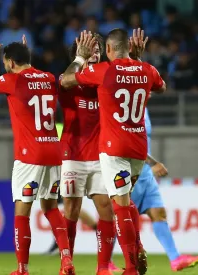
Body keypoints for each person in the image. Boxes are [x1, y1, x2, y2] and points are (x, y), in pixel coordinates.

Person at [61, 29, 166, 275]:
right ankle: (136, 247)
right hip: (137, 149)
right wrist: (138, 60)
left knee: (118, 206)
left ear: (108, 50)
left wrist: (79, 58)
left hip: (113, 150)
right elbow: (160, 87)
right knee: (125, 202)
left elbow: (67, 79)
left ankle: (129, 266)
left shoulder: (104, 72)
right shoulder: (146, 69)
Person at [0, 32, 75, 275]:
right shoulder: (48, 78)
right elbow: (33, 76)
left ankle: (22, 268)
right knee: (50, 208)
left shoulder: (11, 80)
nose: (5, 66)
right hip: (53, 150)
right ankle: (66, 260)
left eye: (6, 62)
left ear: (11, 63)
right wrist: (23, 58)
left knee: (22, 211)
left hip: (30, 156)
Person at [58, 33, 120, 275]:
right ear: (79, 50)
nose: (94, 51)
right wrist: (78, 58)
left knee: (106, 208)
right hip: (73, 154)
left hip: (101, 155)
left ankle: (103, 267)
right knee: (71, 210)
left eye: (97, 47)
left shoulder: (106, 75)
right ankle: (67, 263)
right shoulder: (69, 79)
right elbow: (64, 81)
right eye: (88, 47)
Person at [131, 108, 198, 271]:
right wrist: (153, 163)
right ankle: (105, 262)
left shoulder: (144, 109)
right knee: (121, 218)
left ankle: (175, 259)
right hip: (129, 171)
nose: (149, 89)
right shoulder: (127, 106)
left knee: (158, 213)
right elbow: (129, 142)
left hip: (145, 174)